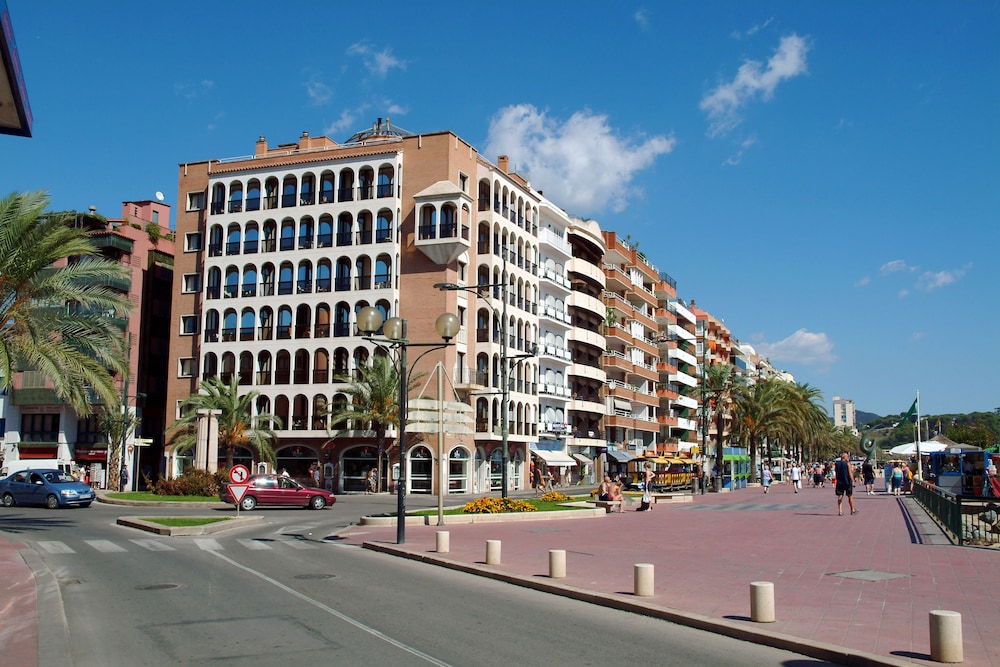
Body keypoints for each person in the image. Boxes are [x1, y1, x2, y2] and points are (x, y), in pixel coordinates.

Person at [834, 451, 857, 516]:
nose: (848, 457)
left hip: (840, 482)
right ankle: (852, 510)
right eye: (847, 456)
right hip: (847, 482)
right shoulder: (848, 464)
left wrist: (837, 479)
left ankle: (840, 511)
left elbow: (836, 473)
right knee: (850, 496)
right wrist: (853, 481)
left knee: (840, 496)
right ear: (844, 457)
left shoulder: (837, 464)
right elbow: (850, 473)